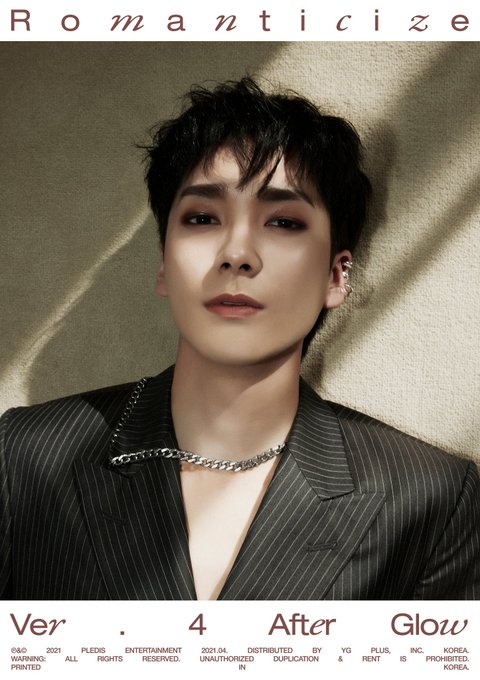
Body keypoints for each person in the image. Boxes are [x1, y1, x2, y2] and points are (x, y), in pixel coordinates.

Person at [0, 78, 478, 600]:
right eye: (203, 218)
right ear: (164, 264)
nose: (237, 254)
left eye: (284, 222)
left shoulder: (430, 498)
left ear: (335, 276)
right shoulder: (24, 455)